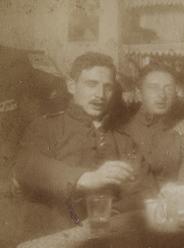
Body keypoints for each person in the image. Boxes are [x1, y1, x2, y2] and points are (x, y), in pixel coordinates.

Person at [14, 52, 150, 239]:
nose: (100, 95)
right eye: (91, 84)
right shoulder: (46, 127)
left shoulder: (124, 140)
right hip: (53, 237)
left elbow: (145, 191)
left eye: (107, 87)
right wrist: (85, 178)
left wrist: (113, 212)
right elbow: (26, 166)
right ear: (71, 86)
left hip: (106, 238)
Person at [122, 64, 184, 191]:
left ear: (175, 95)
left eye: (168, 89)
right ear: (139, 93)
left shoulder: (181, 132)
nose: (162, 95)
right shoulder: (122, 132)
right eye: (153, 88)